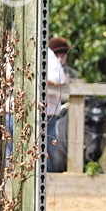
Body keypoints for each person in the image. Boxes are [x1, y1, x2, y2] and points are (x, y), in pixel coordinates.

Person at [46, 37, 71, 171]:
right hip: (51, 112)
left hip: (61, 111)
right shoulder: (52, 65)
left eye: (63, 56)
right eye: (58, 56)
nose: (60, 59)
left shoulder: (70, 72)